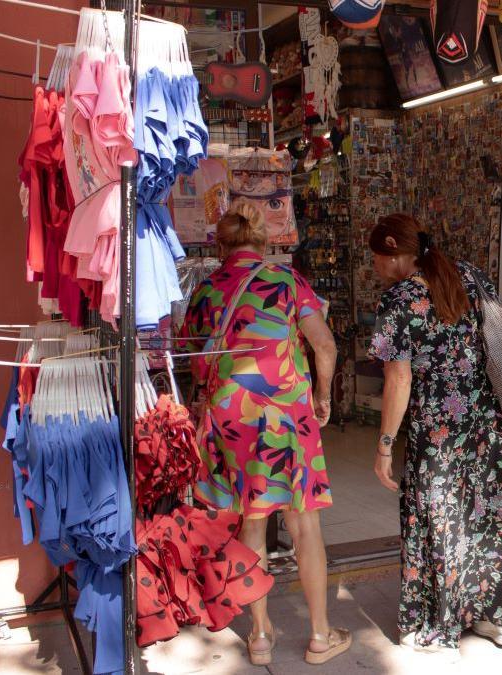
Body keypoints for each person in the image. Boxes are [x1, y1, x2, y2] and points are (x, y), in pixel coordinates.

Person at [367, 213, 502, 661]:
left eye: (376, 258)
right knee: (489, 514)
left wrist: (385, 445)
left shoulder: (399, 300)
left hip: (437, 428)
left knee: (440, 519)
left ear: (393, 250)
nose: (376, 267)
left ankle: (440, 621)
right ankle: (498, 617)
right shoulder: (467, 274)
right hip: (485, 421)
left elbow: (399, 378)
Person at [182, 200, 351, 666]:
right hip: (285, 416)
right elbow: (325, 345)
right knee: (304, 525)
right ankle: (320, 636)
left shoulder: (206, 290)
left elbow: (194, 356)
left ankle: (259, 635)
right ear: (264, 242)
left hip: (230, 418)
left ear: (220, 246)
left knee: (250, 522)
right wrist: (323, 396)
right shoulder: (287, 281)